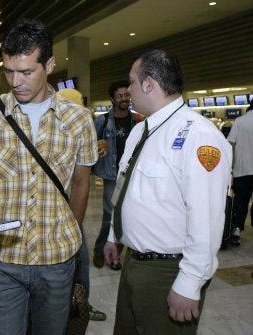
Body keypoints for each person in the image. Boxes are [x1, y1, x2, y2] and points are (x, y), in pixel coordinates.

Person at [0, 18, 98, 335]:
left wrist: (73, 232)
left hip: (57, 260)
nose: (16, 81)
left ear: (50, 64)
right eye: (9, 71)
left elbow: (82, 182)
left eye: (26, 72)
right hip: (1, 261)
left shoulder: (79, 119)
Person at [103, 49, 232, 335]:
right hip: (133, 263)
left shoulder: (199, 136)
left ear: (148, 84)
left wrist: (189, 282)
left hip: (168, 271)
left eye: (132, 83)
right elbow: (126, 190)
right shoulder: (141, 131)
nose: (128, 90)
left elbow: (207, 218)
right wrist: (115, 235)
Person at [56, 88, 106, 322]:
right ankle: (75, 307)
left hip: (66, 212)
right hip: (65, 212)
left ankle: (75, 306)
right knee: (77, 261)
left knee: (76, 262)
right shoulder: (66, 134)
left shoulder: (71, 133)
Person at [92, 80, 143, 270]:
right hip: (112, 175)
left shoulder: (138, 120)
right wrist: (100, 143)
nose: (124, 99)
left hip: (131, 175)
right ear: (112, 99)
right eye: (119, 96)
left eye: (126, 95)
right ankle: (99, 251)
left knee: (127, 215)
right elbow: (88, 145)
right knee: (109, 215)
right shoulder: (102, 121)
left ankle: (115, 255)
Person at [227, 100, 253, 246]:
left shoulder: (240, 121)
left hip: (242, 170)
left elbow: (231, 143)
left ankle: (236, 229)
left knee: (241, 202)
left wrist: (231, 166)